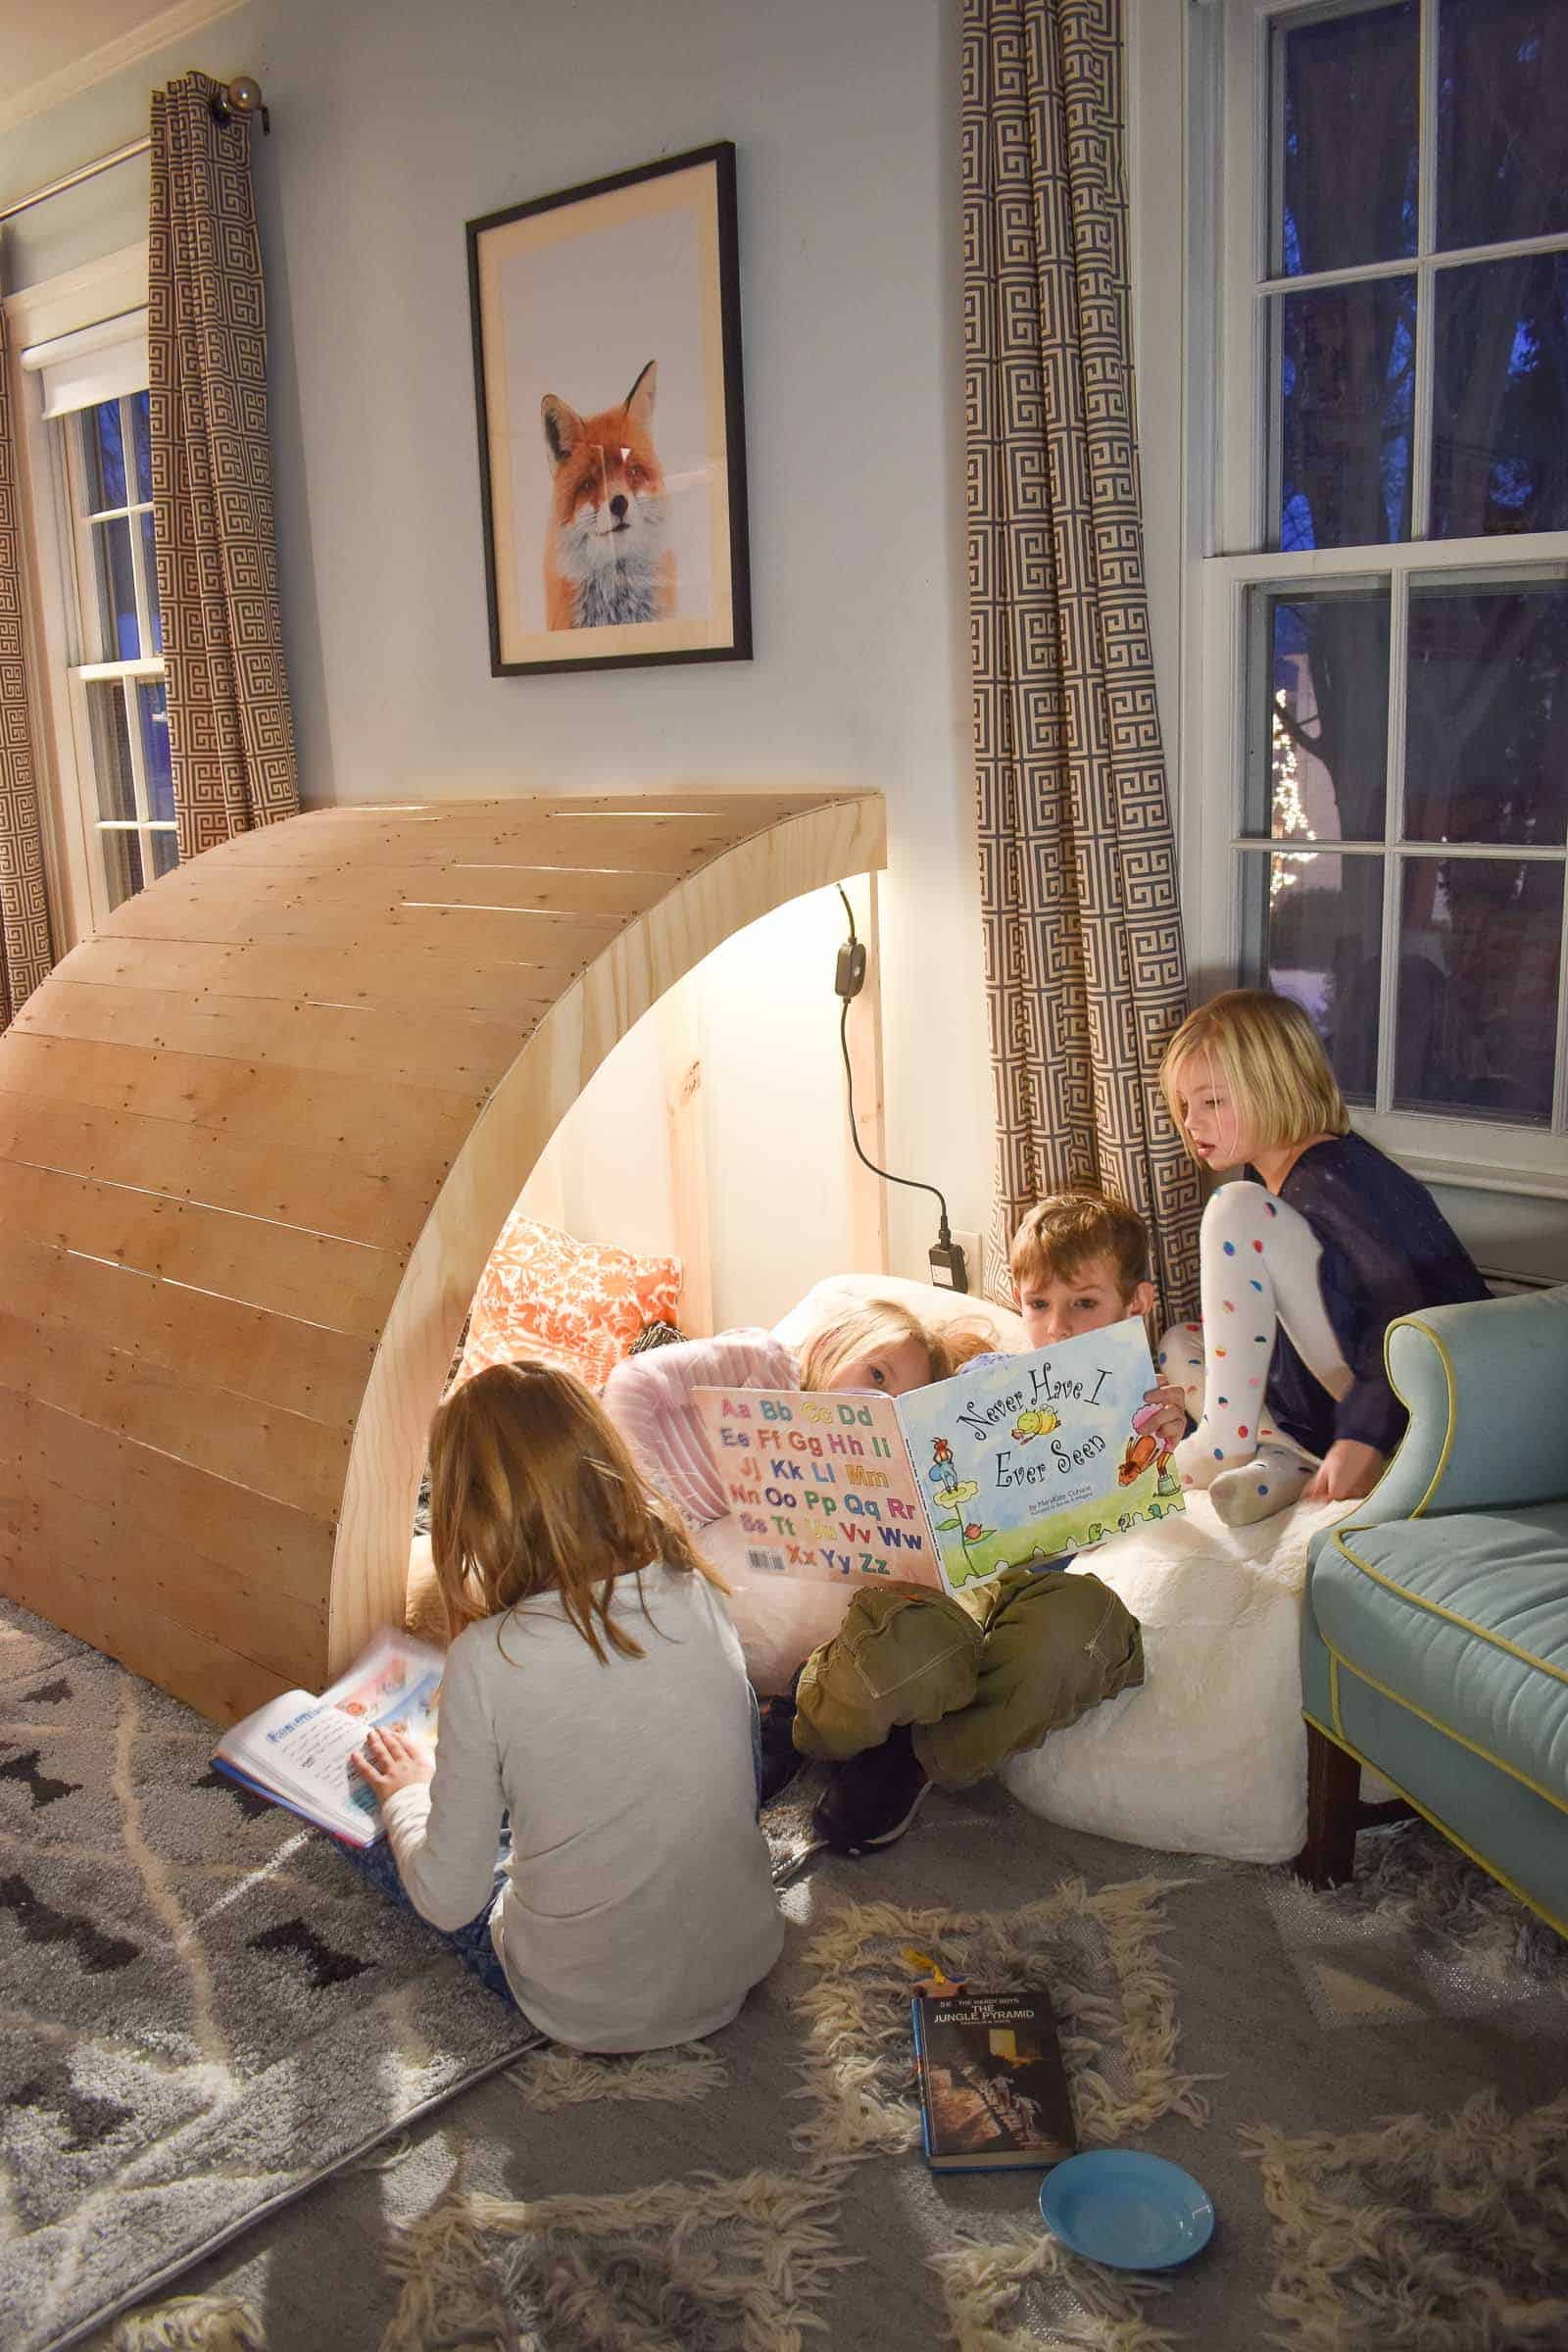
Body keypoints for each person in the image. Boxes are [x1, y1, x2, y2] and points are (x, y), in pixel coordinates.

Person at [353, 1361, 782, 2052]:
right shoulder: (694, 1584)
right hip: (741, 1959)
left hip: (580, 2005)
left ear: (467, 1518)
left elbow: (448, 1899)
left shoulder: (489, 1657)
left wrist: (406, 1796)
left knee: (368, 1800)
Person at [792, 1201, 1187, 1854]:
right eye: (1038, 1305)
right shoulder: (981, 1379)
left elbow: (1177, 1480)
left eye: (1084, 1305)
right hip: (947, 1589)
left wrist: (1174, 1435)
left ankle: (912, 1760)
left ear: (1136, 1304)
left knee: (1091, 1627)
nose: (1058, 1328)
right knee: (919, 1648)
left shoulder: (1145, 1402)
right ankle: (807, 1719)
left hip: (1038, 1591)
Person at [1156, 988, 1489, 1528]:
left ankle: (1229, 1442)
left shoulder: (1334, 1176)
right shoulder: (1276, 1178)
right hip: (1332, 1400)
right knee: (1179, 1340)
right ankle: (1280, 1461)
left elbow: (1402, 1311)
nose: (1191, 1122)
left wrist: (1364, 1434)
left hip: (1418, 1404)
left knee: (1234, 1209)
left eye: (1212, 1102)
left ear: (1276, 1086)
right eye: (1184, 1105)